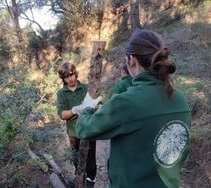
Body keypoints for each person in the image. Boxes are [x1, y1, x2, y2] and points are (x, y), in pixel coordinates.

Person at [75, 29, 191, 188]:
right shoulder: (181, 100)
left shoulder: (127, 101)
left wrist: (87, 108)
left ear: (132, 60)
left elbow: (84, 129)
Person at [56, 62, 100, 188]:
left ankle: (90, 181)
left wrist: (98, 106)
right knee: (76, 159)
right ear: (63, 79)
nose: (70, 79)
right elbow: (61, 114)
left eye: (71, 75)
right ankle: (79, 179)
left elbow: (97, 103)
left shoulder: (86, 88)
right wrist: (75, 110)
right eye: (66, 77)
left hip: (89, 130)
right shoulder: (62, 93)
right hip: (73, 133)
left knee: (91, 160)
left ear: (75, 74)